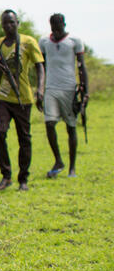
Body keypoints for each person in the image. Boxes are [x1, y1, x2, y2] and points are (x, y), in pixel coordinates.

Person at [0, 9, 44, 191]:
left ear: (17, 23)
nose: (8, 26)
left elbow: (40, 67)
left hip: (23, 97)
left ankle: (23, 179)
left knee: (24, 138)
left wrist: (40, 91)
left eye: (12, 22)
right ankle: (6, 176)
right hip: (3, 97)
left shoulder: (28, 42)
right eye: (5, 23)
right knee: (0, 132)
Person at [39, 13, 87, 178]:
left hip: (69, 89)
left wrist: (84, 91)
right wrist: (40, 90)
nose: (56, 32)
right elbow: (42, 67)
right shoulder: (44, 42)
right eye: (53, 28)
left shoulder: (74, 41)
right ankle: (58, 160)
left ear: (64, 25)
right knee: (50, 123)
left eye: (59, 28)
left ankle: (72, 167)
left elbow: (82, 67)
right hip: (51, 88)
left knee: (71, 127)